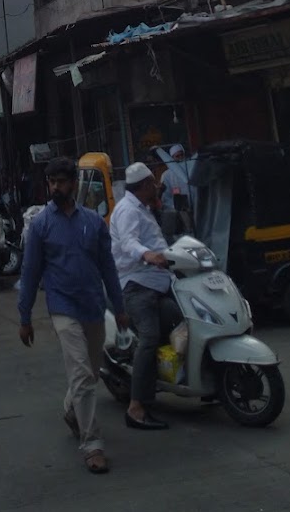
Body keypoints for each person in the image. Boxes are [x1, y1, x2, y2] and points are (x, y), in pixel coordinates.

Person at [17, 156, 129, 475]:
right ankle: (92, 444)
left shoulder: (93, 222)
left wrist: (119, 308)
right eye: (51, 182)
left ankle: (71, 410)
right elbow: (30, 271)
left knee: (90, 373)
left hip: (93, 306)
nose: (56, 187)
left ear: (74, 184)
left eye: (62, 182)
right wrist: (24, 317)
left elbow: (108, 267)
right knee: (80, 372)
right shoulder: (41, 225)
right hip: (63, 308)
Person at [110, 161, 180, 430]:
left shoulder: (143, 207)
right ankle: (136, 408)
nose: (157, 185)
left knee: (180, 321)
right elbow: (129, 242)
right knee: (150, 337)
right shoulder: (127, 210)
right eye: (153, 182)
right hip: (137, 284)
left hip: (159, 283)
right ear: (143, 185)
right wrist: (148, 255)